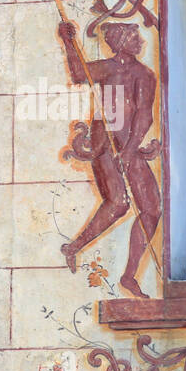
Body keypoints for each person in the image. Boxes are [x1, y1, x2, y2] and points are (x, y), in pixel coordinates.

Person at [56, 20, 161, 298]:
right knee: (118, 203)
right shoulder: (108, 68)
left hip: (130, 143)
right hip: (105, 142)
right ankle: (74, 246)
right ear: (120, 40)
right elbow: (79, 74)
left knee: (152, 209)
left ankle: (129, 276)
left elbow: (144, 115)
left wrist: (129, 150)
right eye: (134, 37)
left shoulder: (144, 75)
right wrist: (68, 41)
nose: (140, 42)